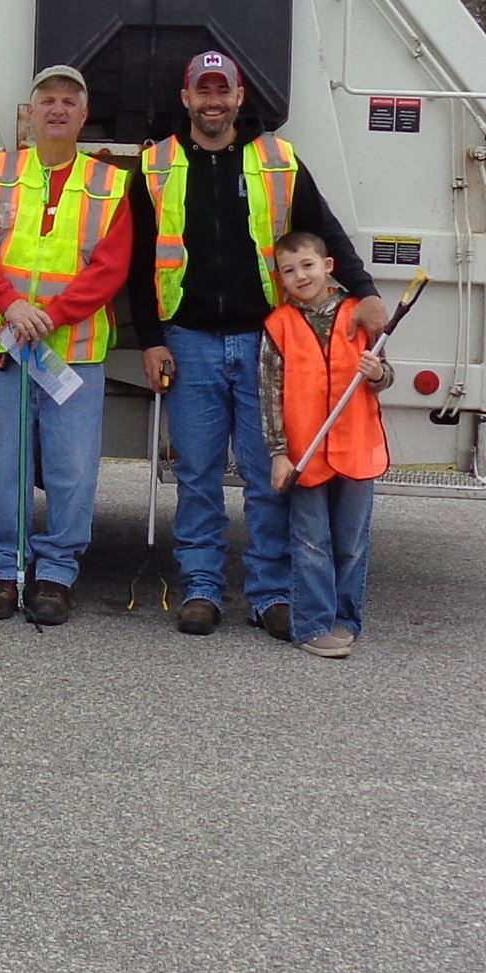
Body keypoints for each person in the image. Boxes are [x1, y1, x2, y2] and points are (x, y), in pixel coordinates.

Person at [131, 50, 388, 639]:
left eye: (224, 91)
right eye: (204, 91)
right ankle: (201, 588)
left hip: (267, 341)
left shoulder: (278, 161)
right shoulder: (155, 165)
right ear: (187, 98)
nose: (214, 101)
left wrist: (366, 290)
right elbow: (137, 261)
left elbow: (323, 233)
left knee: (266, 470)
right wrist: (151, 340)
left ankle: (270, 593)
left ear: (240, 98)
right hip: (188, 340)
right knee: (196, 471)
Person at [0, 65, 134, 625]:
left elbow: (110, 268)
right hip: (6, 349)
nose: (57, 110)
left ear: (84, 116)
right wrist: (11, 306)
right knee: (1, 467)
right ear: (28, 116)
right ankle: (3, 573)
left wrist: (50, 315)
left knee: (71, 471)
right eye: (47, 100)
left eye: (69, 102)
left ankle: (55, 576)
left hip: (73, 352)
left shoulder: (110, 185)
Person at [263, 231, 393, 659]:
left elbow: (385, 379)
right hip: (305, 453)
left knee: (351, 541)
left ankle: (345, 620)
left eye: (307, 266)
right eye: (288, 270)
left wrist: (375, 374)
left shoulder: (359, 314)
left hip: (356, 446)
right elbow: (270, 395)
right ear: (278, 278)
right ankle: (312, 624)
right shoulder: (277, 326)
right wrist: (278, 454)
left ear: (328, 267)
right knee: (310, 541)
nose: (300, 276)